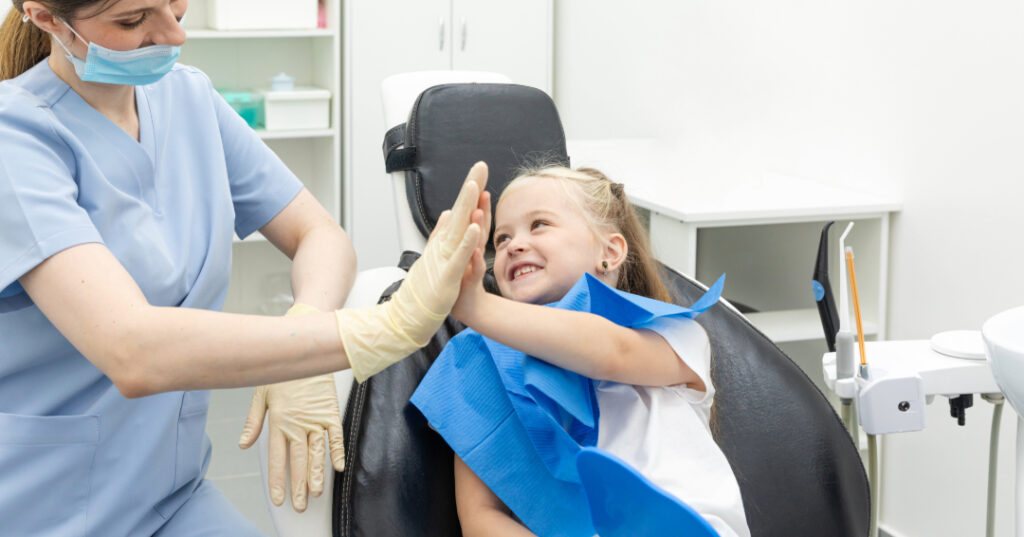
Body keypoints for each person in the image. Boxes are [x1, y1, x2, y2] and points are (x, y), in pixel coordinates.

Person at [0, 1, 488, 535]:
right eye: (133, 21)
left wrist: (306, 321)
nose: (173, 35)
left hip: (170, 498)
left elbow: (320, 235)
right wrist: (378, 330)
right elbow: (132, 349)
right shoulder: (16, 138)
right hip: (46, 508)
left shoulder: (187, 99)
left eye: (174, 4)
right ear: (48, 19)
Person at [446, 166, 751, 537]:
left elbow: (610, 354)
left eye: (539, 224)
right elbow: (479, 517)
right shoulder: (479, 367)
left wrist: (478, 309)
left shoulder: (676, 335)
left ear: (610, 251)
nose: (514, 245)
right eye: (502, 238)